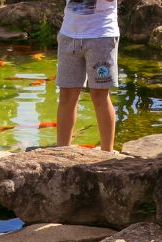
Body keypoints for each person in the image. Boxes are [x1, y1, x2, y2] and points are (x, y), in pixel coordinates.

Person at [56, 0, 118, 152]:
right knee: (66, 95)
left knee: (99, 95)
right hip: (68, 33)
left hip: (101, 35)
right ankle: (61, 152)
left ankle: (106, 154)